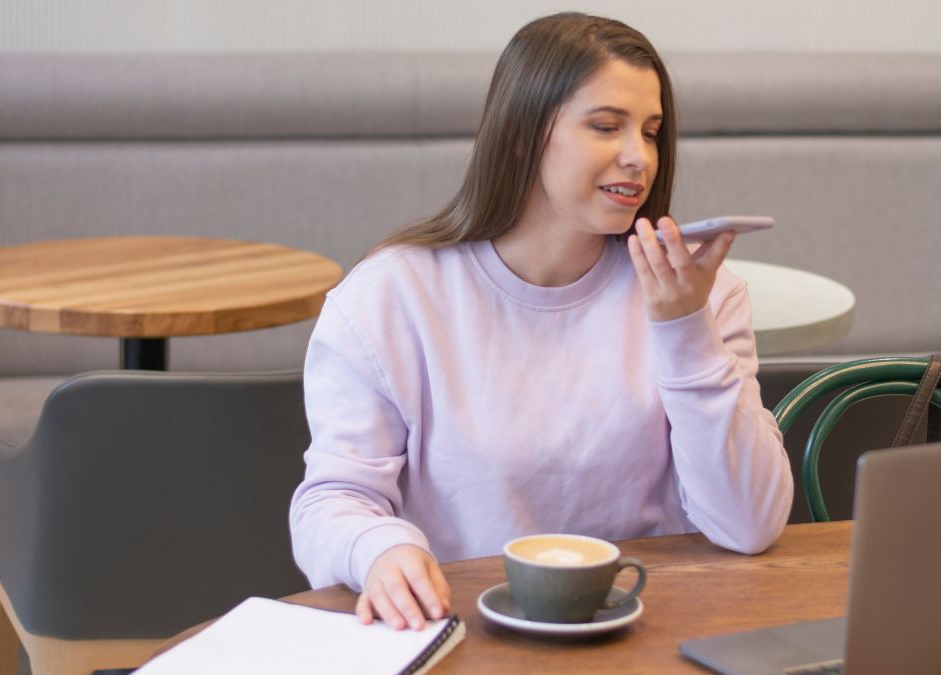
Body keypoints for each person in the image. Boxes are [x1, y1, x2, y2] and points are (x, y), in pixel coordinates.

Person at [289, 12, 793, 631]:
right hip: (468, 631)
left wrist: (685, 329)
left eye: (652, 132)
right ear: (524, 135)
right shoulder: (391, 298)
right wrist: (380, 550)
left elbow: (750, 524)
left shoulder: (704, 296)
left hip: (659, 633)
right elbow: (331, 501)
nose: (640, 157)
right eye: (607, 126)